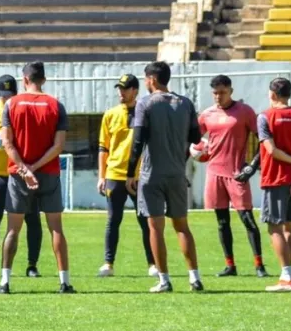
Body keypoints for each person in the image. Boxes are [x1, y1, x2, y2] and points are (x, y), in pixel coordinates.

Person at [0, 61, 74, 294]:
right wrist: (36, 166)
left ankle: (4, 282)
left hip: (19, 176)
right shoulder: (56, 105)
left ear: (25, 79)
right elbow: (59, 146)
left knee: (12, 229)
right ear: (43, 80)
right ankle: (64, 282)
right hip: (48, 173)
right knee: (56, 228)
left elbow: (6, 142)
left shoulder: (11, 104)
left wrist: (24, 169)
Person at [127, 61, 204, 293]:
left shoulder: (145, 104)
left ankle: (164, 279)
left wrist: (130, 172)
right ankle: (195, 278)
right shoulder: (186, 103)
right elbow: (195, 137)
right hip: (177, 173)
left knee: (155, 227)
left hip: (152, 173)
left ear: (151, 79)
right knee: (182, 226)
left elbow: (138, 140)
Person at [0, 74, 44, 278]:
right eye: (3, 96)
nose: (7, 100)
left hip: (22, 174)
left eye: (10, 95)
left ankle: (32, 265)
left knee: (33, 219)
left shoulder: (23, 107)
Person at [198, 74, 267, 278]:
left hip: (237, 174)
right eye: (215, 93)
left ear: (231, 91)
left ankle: (259, 265)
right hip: (214, 173)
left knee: (247, 219)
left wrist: (252, 167)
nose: (218, 97)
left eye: (222, 92)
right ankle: (230, 265)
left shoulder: (244, 112)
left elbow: (263, 141)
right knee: (222, 222)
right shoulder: (206, 115)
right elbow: (194, 141)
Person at [256, 78, 291, 292]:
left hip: (275, 177)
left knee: (274, 227)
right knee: (289, 227)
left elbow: (270, 150)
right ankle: (286, 274)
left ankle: (288, 277)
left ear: (272, 93)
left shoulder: (265, 116)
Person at [96, 73, 156, 278]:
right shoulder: (110, 114)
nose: (121, 92)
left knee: (145, 220)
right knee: (113, 220)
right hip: (114, 174)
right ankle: (108, 263)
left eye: (125, 88)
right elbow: (103, 148)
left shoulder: (145, 112)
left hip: (140, 175)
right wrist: (102, 176)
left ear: (135, 90)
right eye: (119, 88)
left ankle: (153, 264)